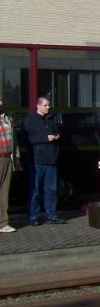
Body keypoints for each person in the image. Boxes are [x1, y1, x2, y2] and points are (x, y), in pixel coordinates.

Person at [23, 96, 65, 225]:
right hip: (37, 159)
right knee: (35, 190)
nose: (48, 107)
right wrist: (45, 138)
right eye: (45, 105)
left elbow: (57, 132)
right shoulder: (30, 120)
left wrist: (56, 137)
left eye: (48, 105)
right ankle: (33, 216)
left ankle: (51, 215)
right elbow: (28, 139)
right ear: (38, 106)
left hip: (51, 159)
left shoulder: (51, 119)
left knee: (51, 190)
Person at [0, 97, 19, 233]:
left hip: (7, 158)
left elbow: (14, 139)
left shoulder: (8, 119)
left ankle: (3, 223)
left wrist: (16, 157)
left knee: (4, 192)